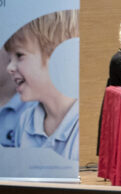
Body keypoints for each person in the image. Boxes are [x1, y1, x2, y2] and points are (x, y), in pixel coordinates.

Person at [4, 10, 80, 159]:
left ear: (59, 56)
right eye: (10, 58)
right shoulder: (25, 121)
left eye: (19, 55)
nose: (10, 67)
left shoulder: (82, 126)